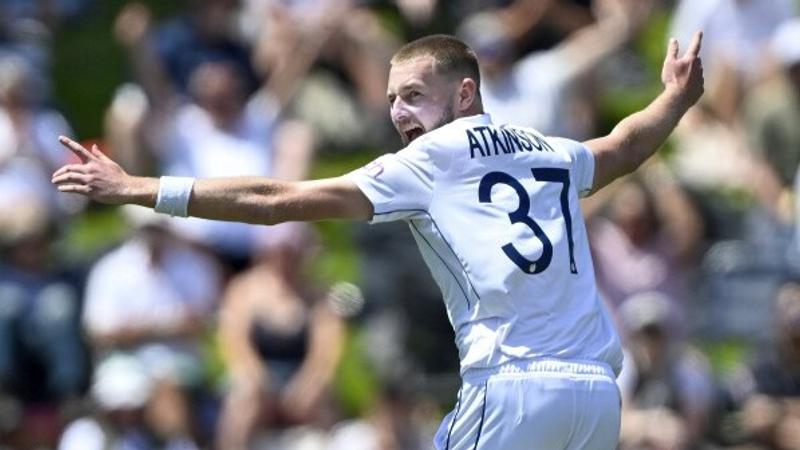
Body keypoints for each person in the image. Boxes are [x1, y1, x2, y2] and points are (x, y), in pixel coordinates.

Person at [51, 32, 704, 449]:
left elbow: (277, 203)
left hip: (514, 387)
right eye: (393, 99)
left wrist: (139, 186)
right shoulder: (551, 149)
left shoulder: (432, 160)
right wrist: (675, 98)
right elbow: (626, 146)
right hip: (596, 393)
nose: (398, 115)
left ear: (466, 92)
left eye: (415, 95)